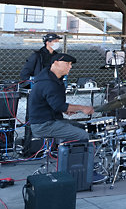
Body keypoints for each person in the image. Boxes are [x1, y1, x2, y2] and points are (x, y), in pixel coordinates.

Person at [27, 53, 105, 182]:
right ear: (55, 63)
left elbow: (53, 104)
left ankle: (81, 164)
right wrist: (81, 108)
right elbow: (59, 105)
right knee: (82, 135)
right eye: (67, 64)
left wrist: (66, 109)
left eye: (71, 64)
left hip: (51, 119)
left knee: (82, 127)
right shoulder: (49, 82)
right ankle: (85, 173)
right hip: (44, 124)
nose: (70, 67)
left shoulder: (52, 79)